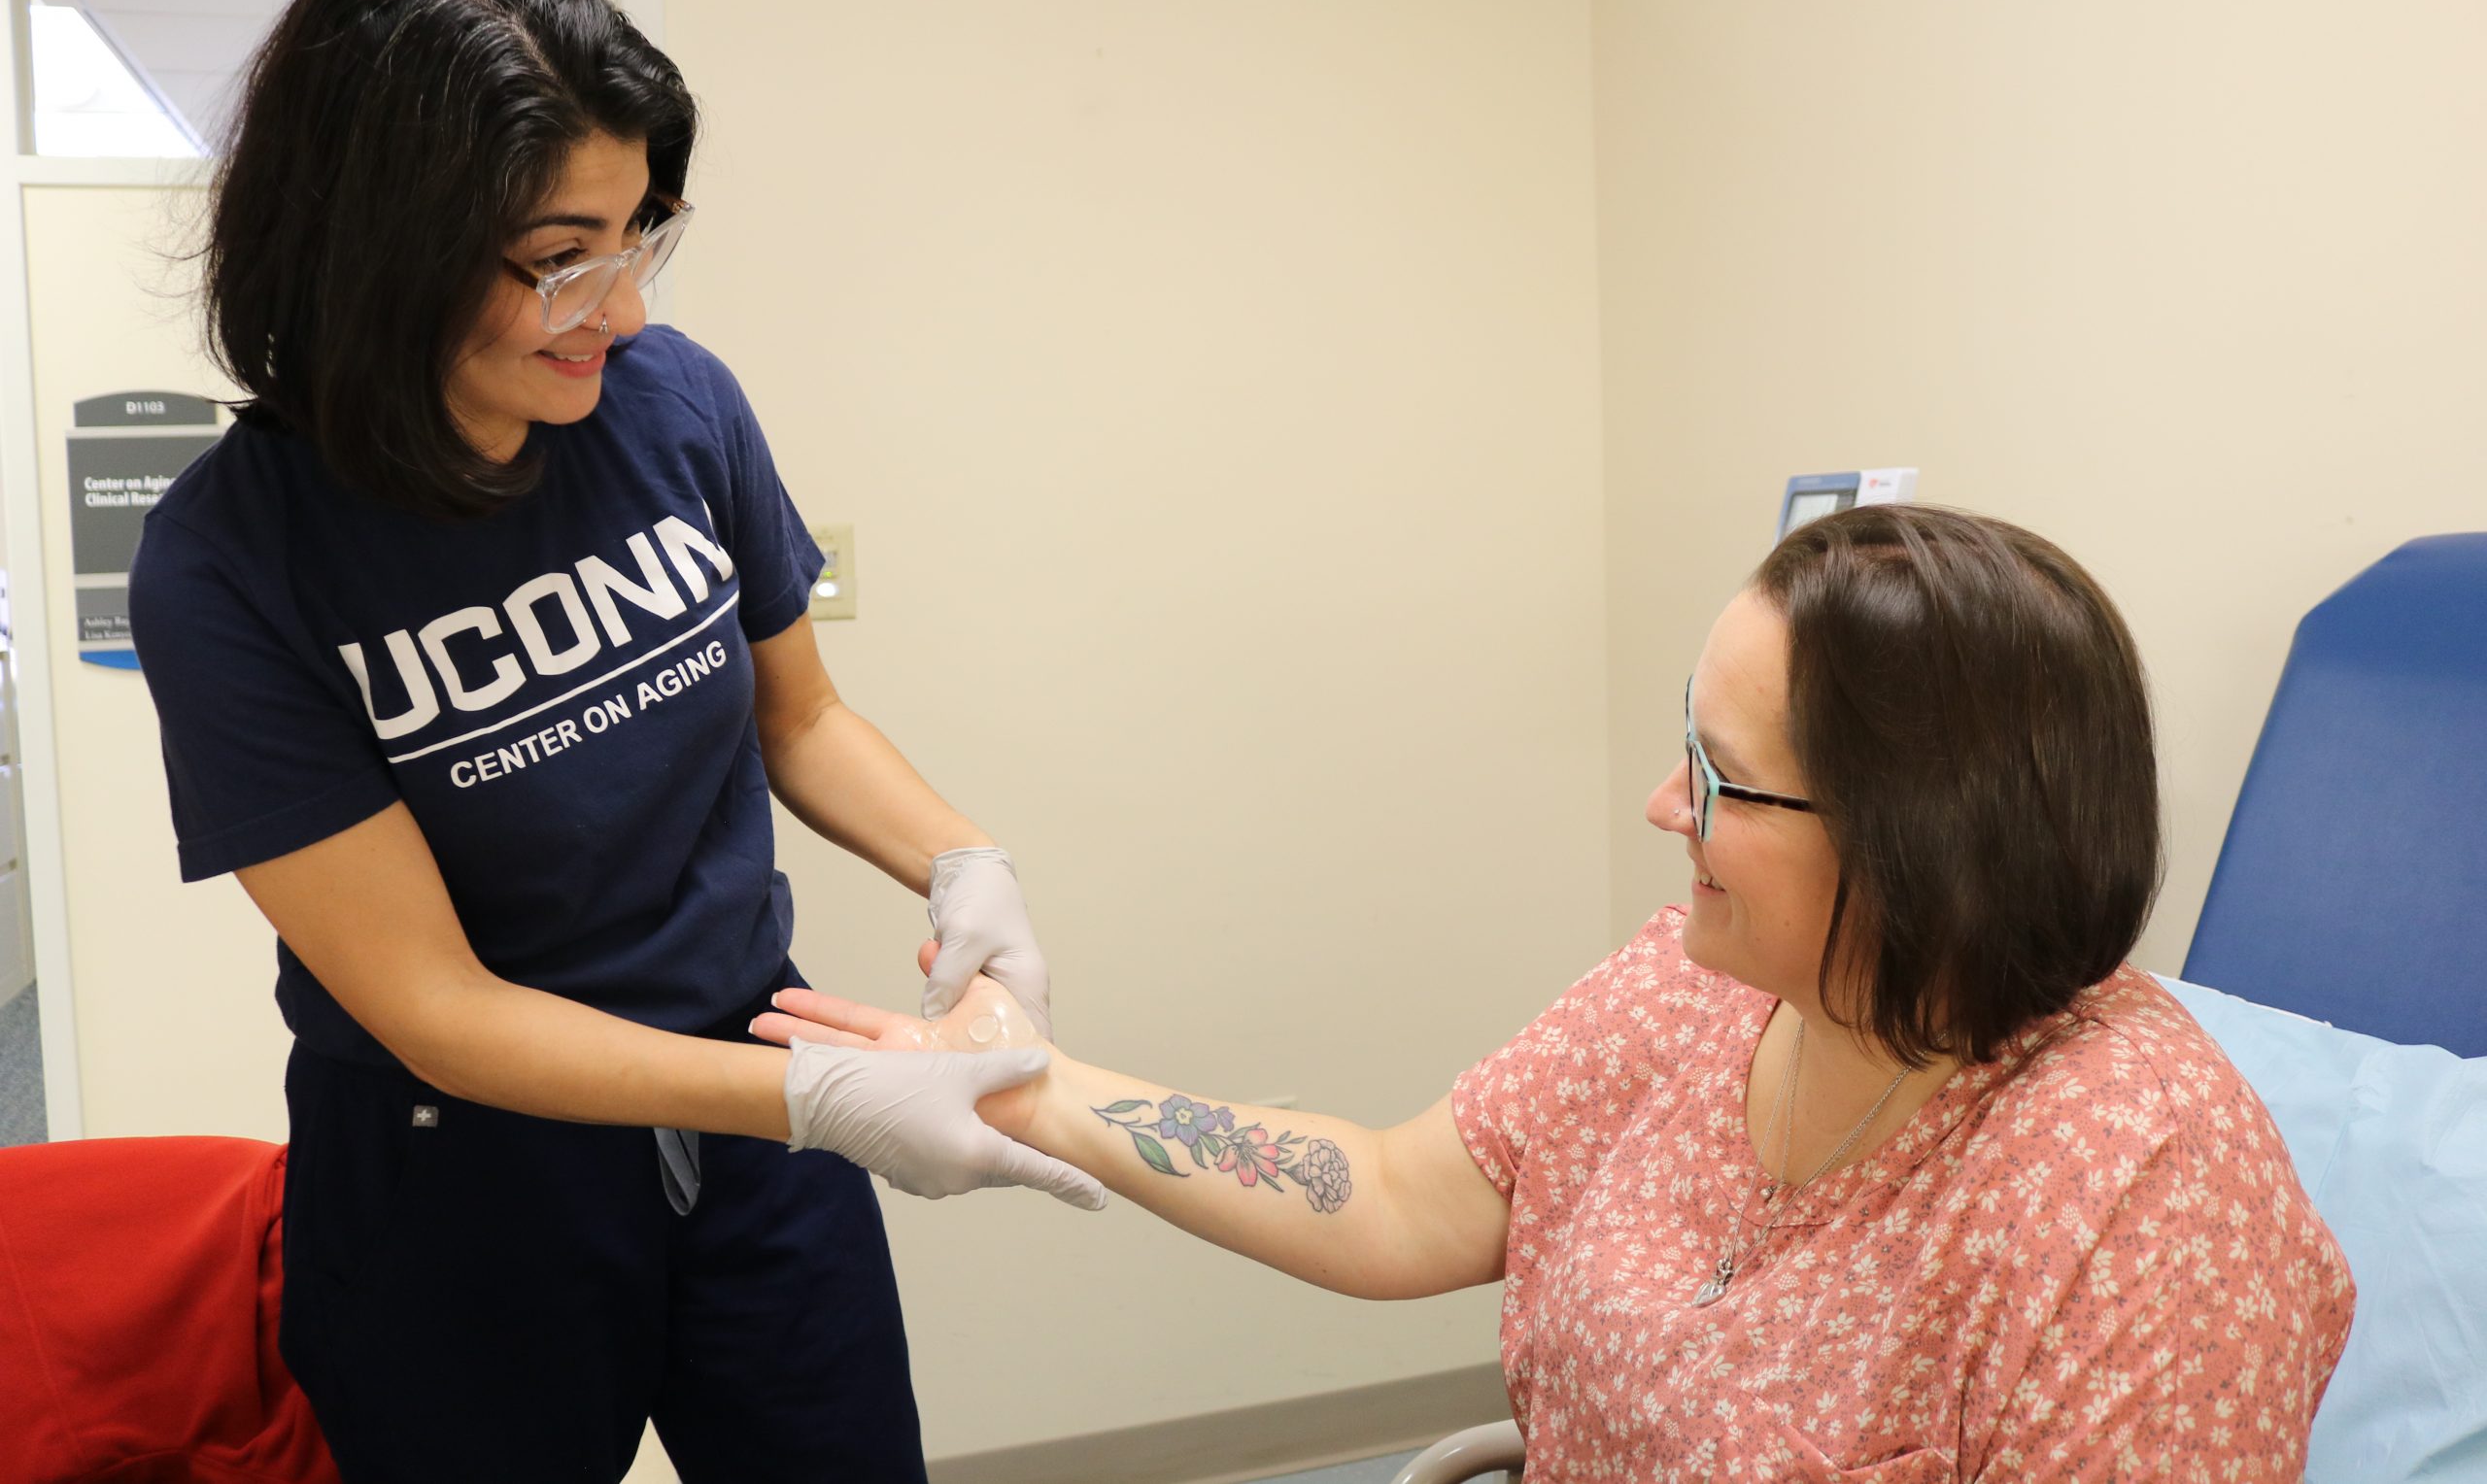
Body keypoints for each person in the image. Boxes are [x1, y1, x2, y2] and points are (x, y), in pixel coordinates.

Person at [765, 503, 2358, 1480]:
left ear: (1917, 842)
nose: (1665, 809)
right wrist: (1029, 1084)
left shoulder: (2144, 1193)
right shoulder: (1707, 986)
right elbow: (1397, 1198)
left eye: (1717, 779)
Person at [127, 0, 1096, 1484]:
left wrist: (964, 861)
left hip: (757, 1095)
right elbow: (439, 1010)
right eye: (562, 258)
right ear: (376, 247)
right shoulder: (228, 566)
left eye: (642, 234)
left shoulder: (674, 403)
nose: (624, 310)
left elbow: (800, 720)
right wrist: (819, 1096)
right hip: (460, 1173)